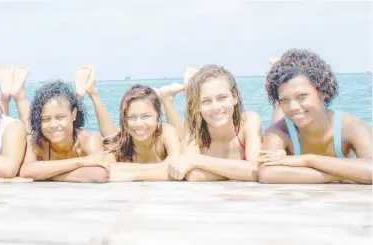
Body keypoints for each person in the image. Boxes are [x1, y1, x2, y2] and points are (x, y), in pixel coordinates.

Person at [258, 48, 371, 184]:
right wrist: (344, 175)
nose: (293, 106)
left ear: (322, 93)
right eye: (284, 100)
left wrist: (309, 160)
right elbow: (267, 174)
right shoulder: (277, 132)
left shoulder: (352, 127)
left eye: (302, 96)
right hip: (291, 128)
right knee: (284, 116)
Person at [75, 66, 181, 181]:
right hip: (122, 140)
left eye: (146, 116)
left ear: (158, 116)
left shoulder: (166, 132)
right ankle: (89, 93)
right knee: (112, 138)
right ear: (124, 120)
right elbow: (104, 170)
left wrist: (132, 174)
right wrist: (160, 170)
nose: (139, 123)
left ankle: (167, 99)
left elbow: (176, 166)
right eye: (131, 117)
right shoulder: (117, 147)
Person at [159, 65, 262, 182]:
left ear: (235, 97)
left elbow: (257, 170)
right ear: (197, 105)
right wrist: (241, 171)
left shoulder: (249, 121)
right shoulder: (194, 127)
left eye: (222, 98)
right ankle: (170, 98)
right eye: (206, 101)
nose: (215, 107)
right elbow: (192, 175)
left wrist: (198, 160)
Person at [18, 80, 109, 182]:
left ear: (73, 114)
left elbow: (99, 174)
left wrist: (44, 174)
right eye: (45, 119)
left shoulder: (89, 139)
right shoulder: (36, 142)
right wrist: (80, 162)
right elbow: (25, 172)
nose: (53, 125)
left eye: (60, 117)